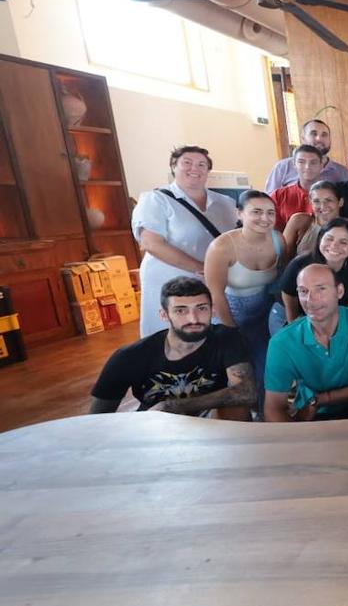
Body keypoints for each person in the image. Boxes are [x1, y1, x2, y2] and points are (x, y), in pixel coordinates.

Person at [90, 276, 254, 419]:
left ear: (212, 310)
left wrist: (172, 406)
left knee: (237, 408)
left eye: (201, 308)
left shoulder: (226, 338)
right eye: (181, 310)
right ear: (164, 315)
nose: (193, 319)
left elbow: (246, 392)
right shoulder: (129, 356)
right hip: (156, 424)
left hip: (209, 419)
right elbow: (97, 418)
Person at [131, 145, 238, 337]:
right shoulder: (156, 199)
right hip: (169, 281)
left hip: (212, 283)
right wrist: (201, 267)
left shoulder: (225, 203)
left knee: (211, 333)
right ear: (174, 166)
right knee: (170, 334)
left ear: (208, 171)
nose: (194, 168)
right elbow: (151, 243)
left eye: (201, 164)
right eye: (187, 163)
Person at [263, 263, 348, 421]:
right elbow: (273, 408)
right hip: (313, 415)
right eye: (303, 291)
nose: (310, 299)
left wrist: (323, 399)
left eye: (320, 289)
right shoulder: (281, 342)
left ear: (340, 291)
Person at [203, 190, 284, 387]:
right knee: (240, 370)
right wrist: (232, 332)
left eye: (270, 213)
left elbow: (283, 280)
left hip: (267, 311)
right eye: (256, 212)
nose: (264, 218)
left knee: (269, 365)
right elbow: (215, 294)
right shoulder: (221, 246)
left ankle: (267, 411)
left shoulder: (279, 240)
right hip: (230, 312)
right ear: (239, 213)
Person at [279, 218, 348, 323]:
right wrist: (294, 325)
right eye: (329, 239)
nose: (334, 245)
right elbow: (288, 294)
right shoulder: (300, 264)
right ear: (320, 240)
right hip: (289, 314)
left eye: (343, 242)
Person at [264, 119, 348, 193]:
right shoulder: (283, 168)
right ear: (303, 139)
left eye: (324, 135)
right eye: (313, 134)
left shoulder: (343, 173)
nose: (319, 139)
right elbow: (269, 203)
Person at [282, 180, 343, 258]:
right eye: (316, 201)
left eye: (329, 200)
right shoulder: (299, 222)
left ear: (340, 202)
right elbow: (283, 259)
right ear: (310, 202)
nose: (323, 206)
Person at [270, 144, 323, 231]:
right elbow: (272, 232)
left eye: (313, 162)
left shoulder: (332, 195)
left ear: (321, 166)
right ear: (294, 165)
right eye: (301, 162)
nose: (307, 167)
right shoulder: (279, 196)